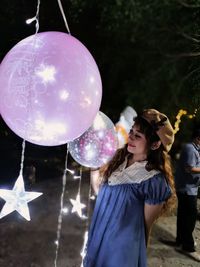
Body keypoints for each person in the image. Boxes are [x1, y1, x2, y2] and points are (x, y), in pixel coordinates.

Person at [84, 109, 175, 267]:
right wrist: (94, 167)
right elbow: (102, 194)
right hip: (100, 236)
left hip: (122, 251)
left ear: (155, 144)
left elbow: (144, 228)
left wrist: (138, 260)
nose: (130, 137)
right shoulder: (118, 160)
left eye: (138, 135)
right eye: (131, 131)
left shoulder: (154, 181)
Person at [175, 128, 200, 261]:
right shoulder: (191, 149)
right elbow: (189, 168)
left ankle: (180, 240)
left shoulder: (193, 148)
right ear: (198, 138)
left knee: (183, 214)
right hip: (187, 188)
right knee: (190, 216)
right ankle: (188, 245)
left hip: (188, 188)